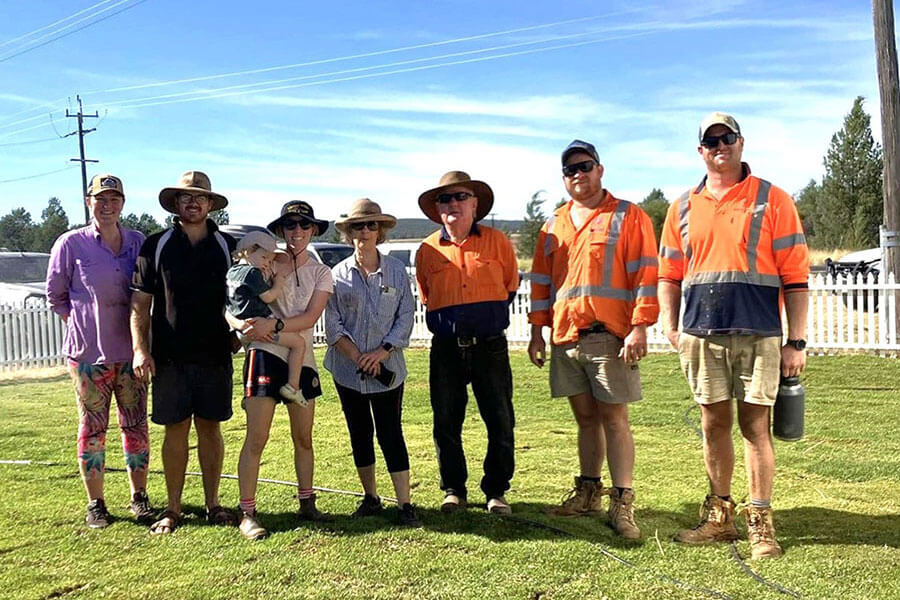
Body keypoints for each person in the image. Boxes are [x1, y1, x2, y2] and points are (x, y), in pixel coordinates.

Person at [659, 112, 810, 559]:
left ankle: (760, 521)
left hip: (760, 333)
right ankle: (719, 517)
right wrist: (670, 327)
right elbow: (668, 273)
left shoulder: (773, 199)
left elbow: (796, 277)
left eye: (726, 138)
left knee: (755, 427)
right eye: (710, 140)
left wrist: (795, 341)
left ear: (741, 143)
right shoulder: (682, 206)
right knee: (712, 424)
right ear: (700, 150)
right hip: (701, 335)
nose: (719, 146)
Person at [528, 140, 659, 540]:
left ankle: (623, 501)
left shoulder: (628, 216)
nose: (578, 175)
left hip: (609, 337)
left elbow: (645, 273)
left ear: (600, 169)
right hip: (566, 337)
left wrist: (640, 325)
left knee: (615, 420)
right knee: (585, 419)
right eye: (570, 170)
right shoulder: (553, 224)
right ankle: (588, 491)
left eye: (585, 166)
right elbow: (541, 281)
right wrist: (537, 330)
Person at [130, 171, 237, 535]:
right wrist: (141, 350)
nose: (193, 203)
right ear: (176, 204)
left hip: (215, 354)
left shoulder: (229, 245)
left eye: (200, 198)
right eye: (185, 198)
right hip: (170, 356)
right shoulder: (155, 244)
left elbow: (245, 298)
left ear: (211, 205)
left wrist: (239, 336)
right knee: (175, 430)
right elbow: (140, 305)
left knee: (211, 428)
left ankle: (213, 504)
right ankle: (172, 509)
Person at [46, 173, 151, 529]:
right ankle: (96, 503)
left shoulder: (137, 242)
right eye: (100, 199)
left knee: (135, 426)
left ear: (123, 203)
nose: (107, 206)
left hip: (132, 353)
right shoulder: (70, 244)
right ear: (88, 201)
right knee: (92, 429)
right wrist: (81, 326)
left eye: (114, 200)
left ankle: (139, 497)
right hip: (89, 357)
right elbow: (56, 297)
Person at [415, 171, 519, 515]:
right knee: (445, 420)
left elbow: (510, 286)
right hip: (445, 347)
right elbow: (427, 294)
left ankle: (496, 491)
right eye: (445, 199)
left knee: (500, 420)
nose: (453, 204)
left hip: (490, 346)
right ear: (437, 208)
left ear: (475, 204)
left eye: (460, 197)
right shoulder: (427, 250)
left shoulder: (498, 242)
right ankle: (454, 489)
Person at [230, 200, 333, 541]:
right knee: (256, 438)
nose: (298, 232)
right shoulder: (263, 260)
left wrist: (270, 326)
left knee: (303, 437)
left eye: (304, 226)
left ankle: (307, 502)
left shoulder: (321, 272)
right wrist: (238, 325)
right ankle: (247, 513)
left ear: (314, 230)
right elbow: (232, 297)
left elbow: (309, 319)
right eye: (290, 226)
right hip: (263, 353)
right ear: (280, 231)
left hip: (299, 358)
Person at [323, 198, 419, 527]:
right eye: (359, 226)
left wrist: (383, 353)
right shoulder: (336, 276)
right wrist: (358, 358)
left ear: (380, 232)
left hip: (388, 371)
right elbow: (332, 324)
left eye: (372, 225)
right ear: (349, 232)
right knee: (359, 433)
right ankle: (371, 498)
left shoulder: (396, 271)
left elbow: (406, 315)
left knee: (391, 433)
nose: (365, 231)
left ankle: (405, 504)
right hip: (347, 370)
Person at [226, 230, 307, 404]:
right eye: (264, 258)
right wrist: (278, 283)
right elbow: (269, 297)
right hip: (259, 324)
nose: (266, 264)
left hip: (241, 328)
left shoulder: (232, 272)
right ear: (248, 251)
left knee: (250, 357)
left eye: (270, 261)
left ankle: (248, 395)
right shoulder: (251, 273)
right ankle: (293, 386)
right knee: (298, 343)